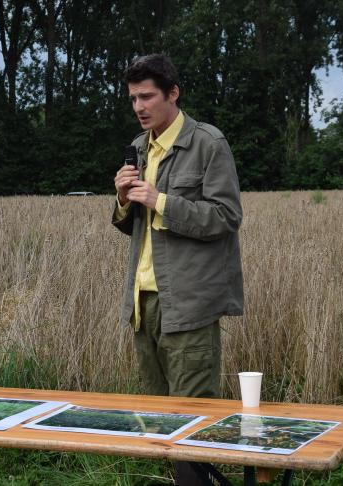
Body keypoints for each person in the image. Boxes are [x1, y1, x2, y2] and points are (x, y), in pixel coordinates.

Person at [112, 54, 244, 400]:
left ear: (173, 93)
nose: (139, 107)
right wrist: (124, 200)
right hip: (142, 304)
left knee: (192, 420)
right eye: (133, 99)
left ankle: (194, 459)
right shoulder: (139, 148)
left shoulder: (208, 144)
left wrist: (161, 201)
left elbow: (226, 216)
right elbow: (137, 227)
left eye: (147, 97)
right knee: (156, 420)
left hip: (188, 305)